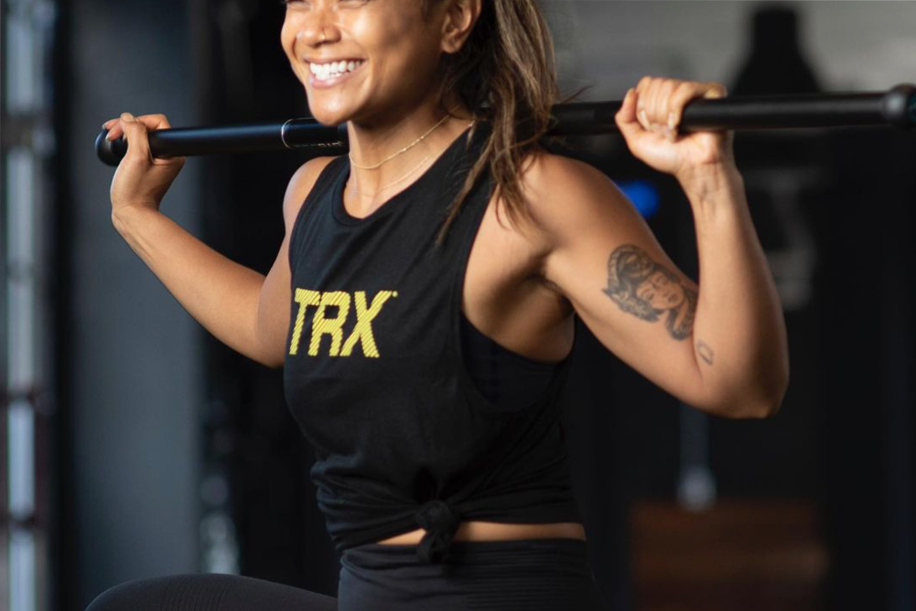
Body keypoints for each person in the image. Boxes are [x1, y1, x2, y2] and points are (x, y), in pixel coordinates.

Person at [88, 0, 789, 609]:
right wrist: (139, 218)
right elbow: (276, 329)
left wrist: (707, 180)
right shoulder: (312, 193)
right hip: (371, 592)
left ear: (454, 19)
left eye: (352, 0)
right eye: (300, 1)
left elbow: (738, 383)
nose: (315, 29)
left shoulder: (530, 197)